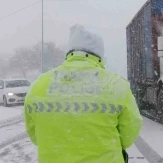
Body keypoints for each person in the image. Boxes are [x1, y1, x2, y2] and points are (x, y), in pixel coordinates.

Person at [24, 24, 143, 163]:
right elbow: (129, 132)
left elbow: (35, 135)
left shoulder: (39, 86)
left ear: (69, 51)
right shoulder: (116, 85)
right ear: (99, 53)